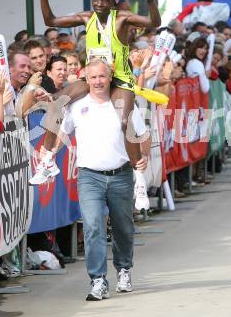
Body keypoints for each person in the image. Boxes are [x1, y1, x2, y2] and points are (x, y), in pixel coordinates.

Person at [31, 0, 160, 184]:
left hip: (119, 78)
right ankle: (48, 160)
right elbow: (50, 21)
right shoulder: (85, 18)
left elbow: (154, 22)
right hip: (92, 76)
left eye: (104, 0)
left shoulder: (122, 18)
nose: (99, 4)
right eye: (96, 0)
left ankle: (138, 177)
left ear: (112, 2)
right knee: (57, 103)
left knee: (124, 121)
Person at [59, 59, 148, 301]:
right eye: (93, 77)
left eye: (102, 76)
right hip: (89, 176)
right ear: (85, 80)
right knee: (93, 227)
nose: (97, 81)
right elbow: (61, 132)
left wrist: (144, 157)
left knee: (123, 227)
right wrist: (46, 156)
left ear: (110, 78)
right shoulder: (76, 106)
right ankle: (97, 280)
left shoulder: (124, 103)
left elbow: (143, 134)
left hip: (120, 174)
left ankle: (124, 270)